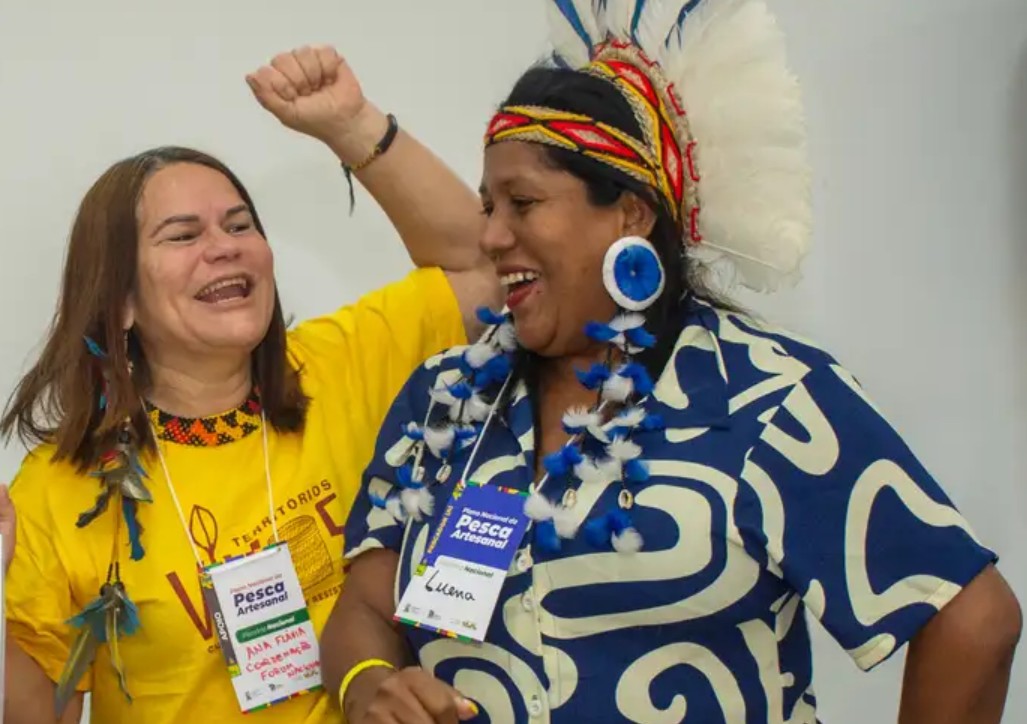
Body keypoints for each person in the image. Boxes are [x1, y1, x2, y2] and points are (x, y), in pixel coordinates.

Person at [326, 1, 1023, 722]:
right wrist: (369, 682)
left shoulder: (763, 398)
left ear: (629, 213)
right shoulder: (446, 401)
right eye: (486, 205)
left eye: (522, 202)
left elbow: (972, 620)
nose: (492, 236)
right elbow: (366, 609)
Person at [0, 44, 499, 724]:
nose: (225, 245)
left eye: (240, 225)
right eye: (182, 236)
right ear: (120, 299)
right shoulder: (57, 491)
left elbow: (489, 265)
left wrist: (352, 126)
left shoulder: (340, 361)